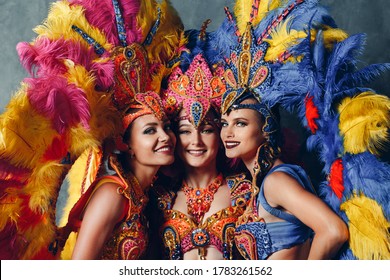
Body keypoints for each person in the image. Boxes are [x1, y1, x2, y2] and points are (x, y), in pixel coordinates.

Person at [0, 0, 185, 260]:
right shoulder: (113, 193)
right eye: (149, 131)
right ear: (127, 144)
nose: (165, 137)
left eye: (166, 127)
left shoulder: (139, 192)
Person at [215, 1, 349, 260]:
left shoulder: (277, 181)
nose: (228, 133)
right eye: (224, 123)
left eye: (241, 123)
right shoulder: (261, 181)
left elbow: (334, 231)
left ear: (266, 129)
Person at [149, 29, 252, 260]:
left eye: (206, 130)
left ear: (221, 134)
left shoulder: (245, 190)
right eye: (185, 131)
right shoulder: (159, 195)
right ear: (174, 137)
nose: (195, 142)